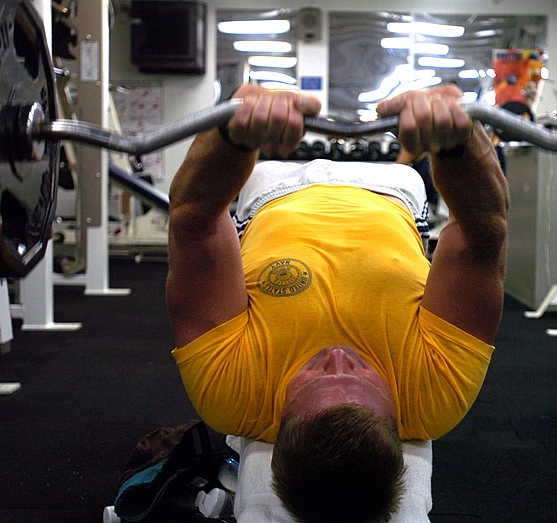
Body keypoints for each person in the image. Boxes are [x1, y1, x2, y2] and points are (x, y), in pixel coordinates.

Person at [166, 83, 509, 522]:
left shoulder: (234, 393)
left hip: (274, 185)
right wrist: (458, 140)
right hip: (393, 190)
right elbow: (483, 232)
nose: (338, 358)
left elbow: (193, 221)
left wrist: (234, 133)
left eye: (315, 378)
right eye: (363, 378)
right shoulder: (432, 395)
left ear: (279, 422)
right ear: (397, 422)